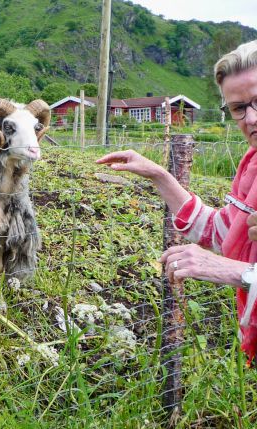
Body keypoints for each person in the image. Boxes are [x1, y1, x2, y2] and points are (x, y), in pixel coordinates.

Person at [96, 39, 257, 360]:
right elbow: (219, 232)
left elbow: (234, 265)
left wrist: (238, 273)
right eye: (239, 108)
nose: (251, 118)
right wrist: (160, 175)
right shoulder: (251, 167)